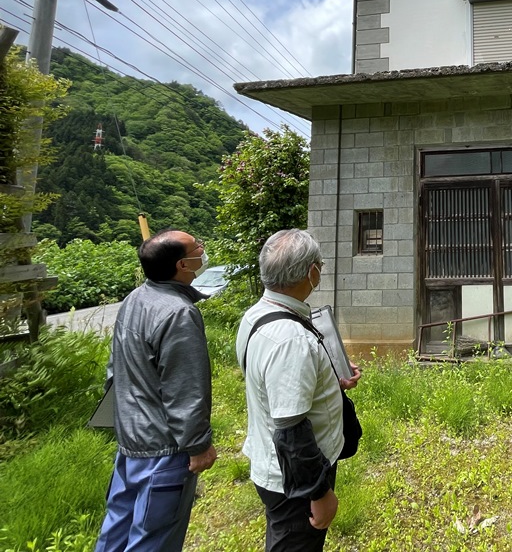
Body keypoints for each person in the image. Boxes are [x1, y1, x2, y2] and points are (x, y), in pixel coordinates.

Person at [236, 229, 361, 552]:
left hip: (280, 468)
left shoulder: (256, 316)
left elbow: (273, 386)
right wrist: (318, 493)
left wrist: (329, 383)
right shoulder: (291, 340)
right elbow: (291, 431)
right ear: (311, 272)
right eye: (319, 264)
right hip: (294, 481)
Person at [95, 230, 218, 552]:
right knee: (154, 538)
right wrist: (198, 445)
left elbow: (114, 369)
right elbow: (186, 389)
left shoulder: (135, 298)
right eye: (198, 248)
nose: (203, 250)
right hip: (164, 448)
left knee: (117, 528)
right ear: (183, 265)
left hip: (130, 440)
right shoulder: (179, 313)